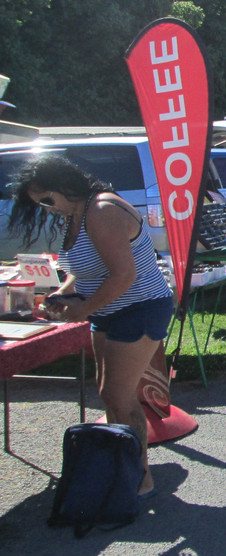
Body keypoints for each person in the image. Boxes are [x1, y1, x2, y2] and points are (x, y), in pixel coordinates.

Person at [7, 155, 174, 500]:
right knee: (109, 393)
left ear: (66, 185)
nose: (47, 208)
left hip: (139, 309)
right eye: (40, 204)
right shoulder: (76, 213)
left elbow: (123, 275)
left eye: (48, 199)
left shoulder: (102, 211)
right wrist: (61, 295)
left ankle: (141, 480)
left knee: (120, 396)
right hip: (110, 310)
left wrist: (82, 309)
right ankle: (125, 468)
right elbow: (82, 270)